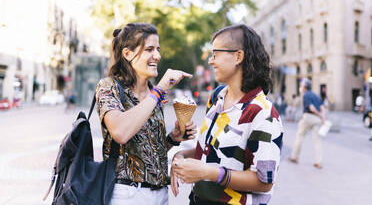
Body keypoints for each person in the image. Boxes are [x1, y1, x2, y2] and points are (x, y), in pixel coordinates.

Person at [170, 24, 283, 205]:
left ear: (238, 56)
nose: (210, 61)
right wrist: (182, 156)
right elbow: (210, 152)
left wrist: (209, 173)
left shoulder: (263, 112)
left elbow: (264, 182)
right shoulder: (216, 98)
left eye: (215, 54)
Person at [95, 23, 197, 205]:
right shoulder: (109, 87)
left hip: (160, 194)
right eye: (149, 49)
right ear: (127, 54)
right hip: (126, 194)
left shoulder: (152, 93)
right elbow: (120, 133)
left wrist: (173, 139)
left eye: (158, 49)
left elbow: (149, 152)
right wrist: (159, 91)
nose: (157, 56)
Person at [289, 78, 326, 169]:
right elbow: (323, 108)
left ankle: (294, 156)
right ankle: (318, 161)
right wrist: (322, 118)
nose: (301, 87)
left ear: (305, 87)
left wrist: (318, 114)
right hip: (317, 120)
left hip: (308, 117)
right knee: (317, 140)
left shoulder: (305, 95)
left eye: (301, 86)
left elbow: (312, 108)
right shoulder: (316, 96)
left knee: (300, 136)